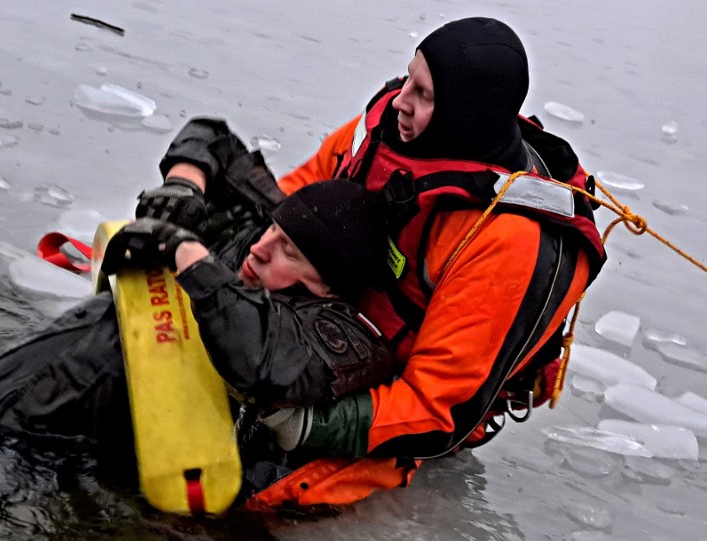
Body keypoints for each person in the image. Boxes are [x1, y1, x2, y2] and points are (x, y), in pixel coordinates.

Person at [217, 17, 608, 508]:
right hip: (331, 319)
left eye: (423, 94)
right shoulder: (386, 127)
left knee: (240, 495)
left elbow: (436, 406)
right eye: (408, 80)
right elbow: (299, 197)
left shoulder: (504, 239)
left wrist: (309, 424)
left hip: (394, 402)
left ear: (464, 113)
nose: (401, 101)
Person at [0, 162, 397, 494]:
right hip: (8, 399)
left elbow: (262, 361)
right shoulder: (250, 245)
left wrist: (186, 254)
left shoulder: (343, 337)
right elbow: (211, 136)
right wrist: (184, 184)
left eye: (288, 250)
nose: (259, 248)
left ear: (325, 286)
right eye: (272, 229)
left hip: (63, 446)